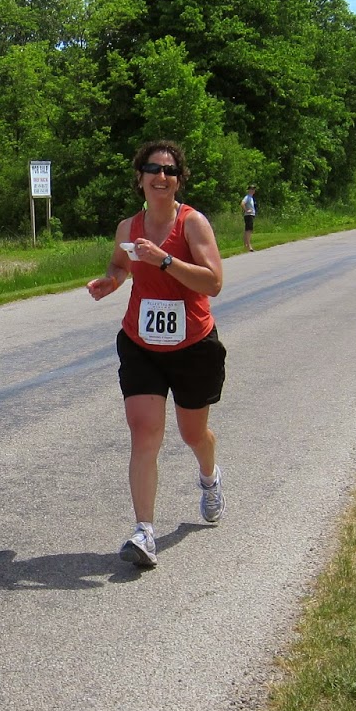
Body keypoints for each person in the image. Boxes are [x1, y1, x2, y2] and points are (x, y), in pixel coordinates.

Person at [86, 141, 227, 568]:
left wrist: (165, 260)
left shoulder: (192, 224)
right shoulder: (128, 227)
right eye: (153, 169)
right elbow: (120, 265)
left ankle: (210, 478)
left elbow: (213, 282)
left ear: (178, 179)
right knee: (145, 431)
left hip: (191, 345)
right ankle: (144, 532)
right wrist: (109, 282)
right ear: (140, 178)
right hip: (142, 343)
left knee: (192, 433)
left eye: (169, 171)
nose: (160, 176)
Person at [241, 185, 257, 252]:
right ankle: (249, 245)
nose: (253, 190)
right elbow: (242, 203)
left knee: (248, 230)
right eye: (251, 189)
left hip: (251, 215)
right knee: (249, 230)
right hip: (248, 215)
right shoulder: (247, 197)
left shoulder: (251, 198)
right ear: (249, 190)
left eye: (253, 189)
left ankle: (246, 245)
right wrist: (246, 210)